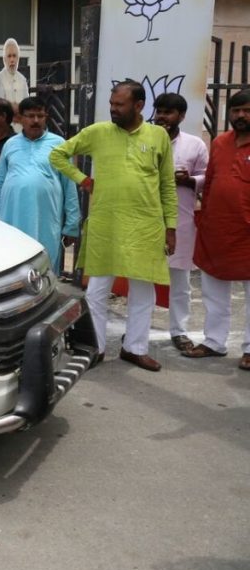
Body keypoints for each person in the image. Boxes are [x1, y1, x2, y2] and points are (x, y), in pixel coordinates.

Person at [49, 80, 177, 371]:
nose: (113, 110)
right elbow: (58, 155)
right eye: (111, 104)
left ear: (139, 105)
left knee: (143, 291)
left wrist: (171, 227)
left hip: (146, 225)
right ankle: (96, 348)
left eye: (119, 105)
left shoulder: (158, 136)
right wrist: (83, 180)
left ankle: (135, 348)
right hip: (106, 223)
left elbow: (167, 185)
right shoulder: (98, 132)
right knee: (96, 291)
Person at [188, 88, 250, 370]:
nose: (241, 116)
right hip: (217, 228)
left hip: (247, 233)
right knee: (214, 290)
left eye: (247, 110)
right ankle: (214, 341)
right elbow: (211, 182)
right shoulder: (221, 142)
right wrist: (206, 215)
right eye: (236, 111)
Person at [0, 97, 80, 274]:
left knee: (44, 267)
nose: (35, 121)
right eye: (30, 116)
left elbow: (70, 186)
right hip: (12, 217)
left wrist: (72, 225)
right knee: (11, 265)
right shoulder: (10, 145)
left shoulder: (59, 144)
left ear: (46, 117)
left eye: (40, 116)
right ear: (20, 118)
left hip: (46, 219)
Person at [152, 93, 208, 353]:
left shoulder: (195, 145)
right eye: (159, 111)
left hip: (182, 222)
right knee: (141, 280)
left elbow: (208, 176)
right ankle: (137, 328)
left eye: (169, 112)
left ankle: (179, 331)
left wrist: (190, 181)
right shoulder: (143, 141)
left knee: (180, 281)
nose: (162, 116)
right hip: (147, 220)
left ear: (182, 116)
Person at [0, 38, 29, 111]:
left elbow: (26, 105)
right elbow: (0, 106)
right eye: (9, 56)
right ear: (4, 59)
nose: (12, 60)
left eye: (14, 56)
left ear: (18, 58)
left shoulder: (22, 79)